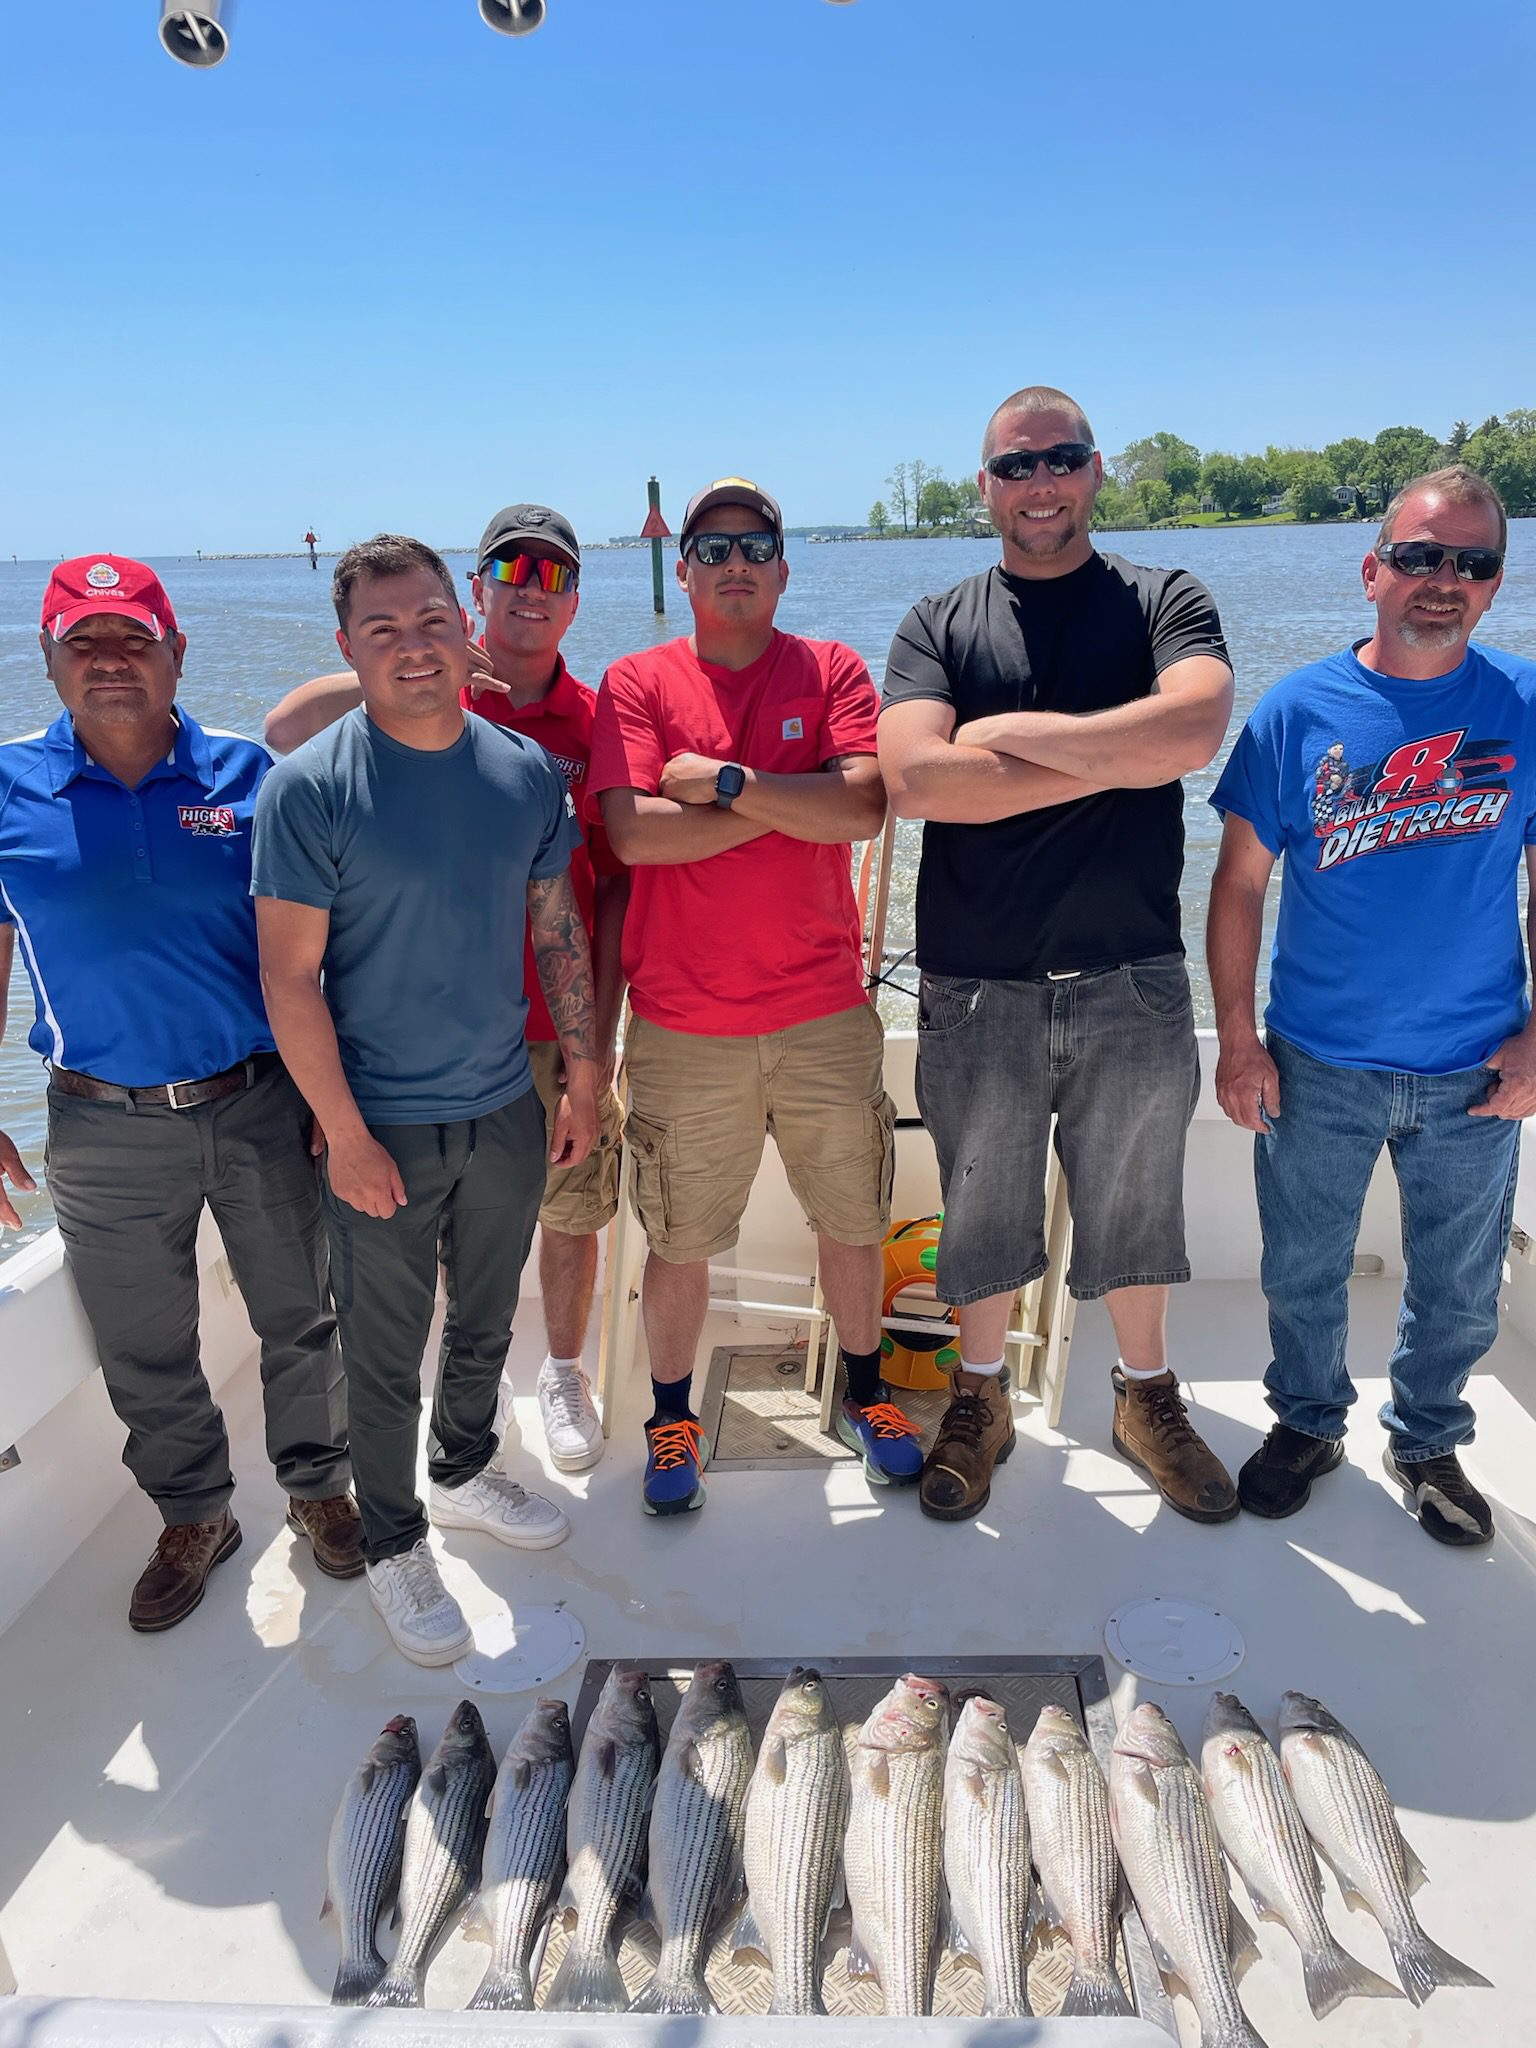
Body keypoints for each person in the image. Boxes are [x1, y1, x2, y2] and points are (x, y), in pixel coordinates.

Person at [878, 386, 1237, 1524]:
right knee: (981, 1207)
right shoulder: (937, 622)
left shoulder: (1162, 597)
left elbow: (1192, 728)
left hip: (1130, 966)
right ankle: (979, 1398)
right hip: (976, 978)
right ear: (983, 485)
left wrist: (1012, 740)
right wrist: (1116, 755)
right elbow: (918, 780)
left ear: (1095, 470)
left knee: (1136, 1199)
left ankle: (1145, 1396)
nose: (1042, 484)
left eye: (1062, 460)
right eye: (1017, 466)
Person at [252, 533, 600, 1664]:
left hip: (503, 1100)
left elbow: (557, 930)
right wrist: (344, 1134)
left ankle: (462, 1471)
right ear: (347, 647)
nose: (413, 647)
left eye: (431, 620)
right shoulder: (309, 790)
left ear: (468, 625)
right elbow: (286, 976)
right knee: (384, 1346)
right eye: (384, 629)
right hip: (379, 1122)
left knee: (490, 1319)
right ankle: (397, 1537)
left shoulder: (525, 773)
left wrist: (585, 1069)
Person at [0, 555, 357, 1631]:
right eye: (84, 642)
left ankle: (319, 1488)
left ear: (176, 653)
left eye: (133, 639)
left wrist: (334, 1106)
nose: (110, 662)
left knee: (302, 1313)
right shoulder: (6, 786)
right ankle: (195, 1512)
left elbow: (315, 949)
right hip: (98, 1118)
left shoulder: (250, 776)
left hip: (258, 1098)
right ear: (50, 658)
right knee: (143, 1342)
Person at [1208, 464, 1534, 1547]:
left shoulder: (1524, 706)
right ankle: (1307, 1421)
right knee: (1302, 1267)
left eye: (1472, 562)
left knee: (1460, 1284)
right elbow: (1241, 882)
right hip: (1317, 1062)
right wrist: (1241, 1040)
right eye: (1420, 555)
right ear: (1371, 570)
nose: (1443, 580)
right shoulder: (1298, 710)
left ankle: (1429, 1436)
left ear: (1494, 582)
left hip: (1477, 1064)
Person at [589, 477, 915, 1515]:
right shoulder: (634, 680)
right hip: (683, 1024)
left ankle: (867, 1395)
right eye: (713, 544)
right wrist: (790, 805)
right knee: (681, 1235)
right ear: (680, 567)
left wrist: (725, 785)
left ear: (783, 564)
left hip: (824, 1011)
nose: (736, 560)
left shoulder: (831, 668)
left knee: (854, 1215)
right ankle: (673, 1414)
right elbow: (635, 834)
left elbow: (863, 806)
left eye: (757, 543)